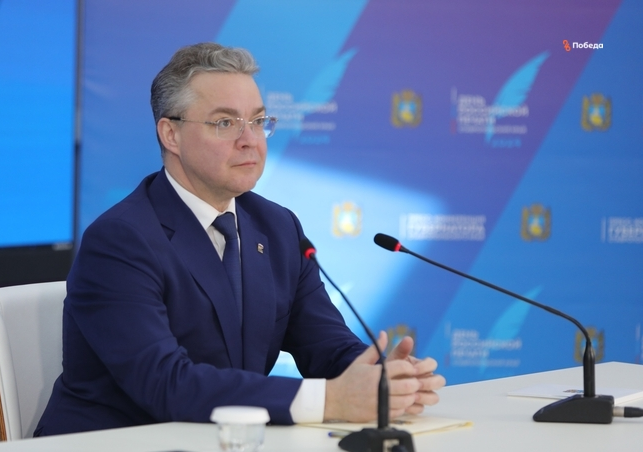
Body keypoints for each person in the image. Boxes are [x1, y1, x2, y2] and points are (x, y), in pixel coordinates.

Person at [35, 42, 445, 436]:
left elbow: (325, 344)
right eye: (225, 123)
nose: (250, 139)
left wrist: (380, 377)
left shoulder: (277, 227)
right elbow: (167, 384)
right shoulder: (120, 240)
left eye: (258, 121)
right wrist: (331, 400)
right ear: (171, 134)